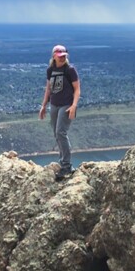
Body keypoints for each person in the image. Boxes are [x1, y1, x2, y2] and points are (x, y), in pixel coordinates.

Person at [39, 44, 81, 180]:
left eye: (64, 56)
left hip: (67, 105)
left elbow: (77, 89)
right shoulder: (50, 70)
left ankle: (66, 166)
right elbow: (48, 89)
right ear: (54, 57)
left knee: (60, 132)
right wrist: (44, 105)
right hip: (54, 105)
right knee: (56, 134)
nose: (62, 59)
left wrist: (74, 106)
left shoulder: (70, 70)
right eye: (60, 57)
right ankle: (63, 161)